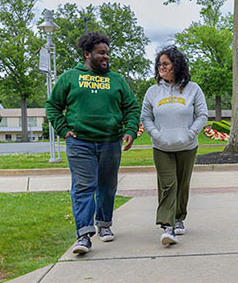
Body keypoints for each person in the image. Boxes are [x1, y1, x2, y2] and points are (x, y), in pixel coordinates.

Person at [46, 32, 140, 254]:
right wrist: (63, 130)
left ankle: (104, 225)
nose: (106, 56)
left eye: (107, 52)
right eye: (101, 53)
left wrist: (130, 130)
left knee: (107, 186)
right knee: (83, 187)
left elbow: (132, 107)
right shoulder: (70, 77)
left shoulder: (117, 80)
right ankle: (84, 236)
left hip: (110, 142)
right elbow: (53, 105)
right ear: (87, 54)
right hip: (80, 143)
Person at [141, 46, 208, 245]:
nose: (161, 67)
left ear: (176, 66)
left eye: (165, 64)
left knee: (182, 184)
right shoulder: (153, 92)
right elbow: (146, 116)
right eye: (159, 64)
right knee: (168, 184)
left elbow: (202, 114)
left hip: (187, 146)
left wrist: (191, 134)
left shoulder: (193, 89)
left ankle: (179, 218)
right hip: (162, 146)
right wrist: (155, 134)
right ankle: (167, 225)